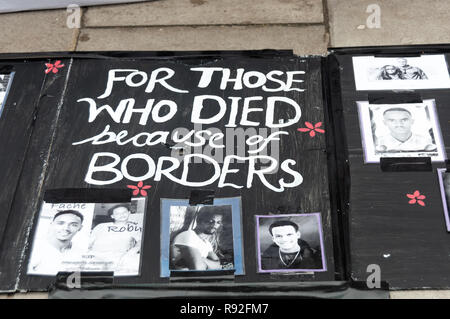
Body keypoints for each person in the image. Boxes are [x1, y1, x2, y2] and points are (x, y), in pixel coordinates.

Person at [88, 204, 142, 272]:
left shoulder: (134, 228)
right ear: (112, 216)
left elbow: (141, 241)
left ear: (129, 213)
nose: (121, 215)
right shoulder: (101, 226)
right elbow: (89, 241)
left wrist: (131, 252)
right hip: (95, 255)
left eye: (124, 212)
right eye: (117, 213)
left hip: (119, 257)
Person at [28, 210, 84, 275]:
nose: (66, 228)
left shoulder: (81, 254)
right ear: (52, 224)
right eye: (60, 223)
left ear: (80, 228)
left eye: (74, 225)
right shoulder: (34, 248)